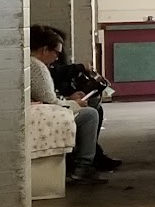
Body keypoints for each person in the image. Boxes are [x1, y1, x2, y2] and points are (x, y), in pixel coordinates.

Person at [30, 25, 106, 183]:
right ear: (44, 50)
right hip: (40, 114)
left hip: (39, 108)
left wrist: (69, 99)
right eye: (56, 53)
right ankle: (83, 166)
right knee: (90, 114)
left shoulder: (32, 64)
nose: (57, 58)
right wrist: (75, 103)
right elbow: (51, 101)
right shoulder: (37, 68)